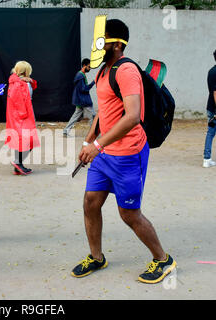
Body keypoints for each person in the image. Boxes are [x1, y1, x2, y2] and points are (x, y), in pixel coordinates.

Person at [71, 19, 176, 284]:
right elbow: (104, 112)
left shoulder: (126, 70)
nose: (97, 46)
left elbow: (132, 117)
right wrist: (88, 141)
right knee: (90, 202)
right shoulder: (103, 71)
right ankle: (96, 257)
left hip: (128, 153)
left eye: (102, 40)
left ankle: (163, 260)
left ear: (117, 44)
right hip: (105, 153)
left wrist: (97, 146)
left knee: (129, 214)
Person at [5, 61, 40, 175]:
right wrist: (23, 114)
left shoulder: (15, 81)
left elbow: (32, 86)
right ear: (26, 71)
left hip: (17, 115)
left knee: (20, 140)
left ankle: (18, 165)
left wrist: (30, 80)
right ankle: (17, 162)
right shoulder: (20, 84)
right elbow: (19, 100)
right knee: (29, 140)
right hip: (22, 116)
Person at [63, 58, 96, 137]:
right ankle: (93, 134)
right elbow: (83, 89)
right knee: (93, 116)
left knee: (75, 116)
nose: (90, 68)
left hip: (80, 100)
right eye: (89, 67)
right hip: (84, 101)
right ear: (84, 65)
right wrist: (93, 82)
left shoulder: (81, 75)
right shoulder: (80, 75)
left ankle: (66, 131)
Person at [203, 49, 216, 168]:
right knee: (211, 132)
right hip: (215, 108)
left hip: (210, 106)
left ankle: (207, 158)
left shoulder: (211, 71)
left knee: (210, 133)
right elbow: (215, 92)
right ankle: (207, 159)